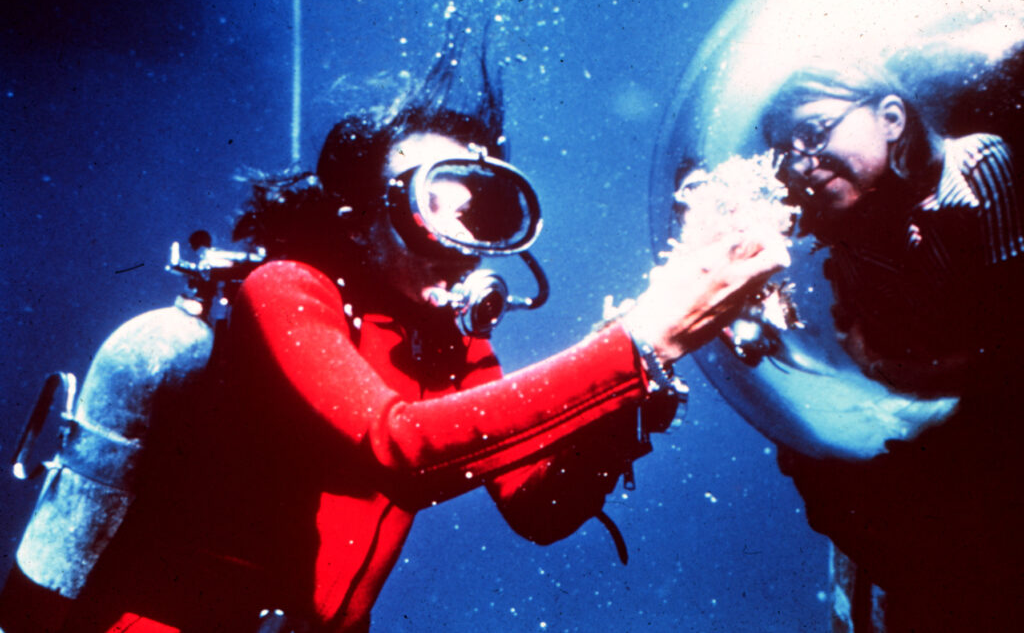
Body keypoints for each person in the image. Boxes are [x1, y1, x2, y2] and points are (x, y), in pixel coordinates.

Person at [0, 44, 783, 633]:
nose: (461, 237)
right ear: (360, 221)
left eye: (485, 209)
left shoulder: (447, 341)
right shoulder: (288, 291)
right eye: (432, 202)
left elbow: (538, 508)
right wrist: (638, 341)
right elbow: (398, 447)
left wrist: (632, 399)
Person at [759, 64, 1024, 632]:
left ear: (891, 117)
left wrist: (894, 368)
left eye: (816, 132)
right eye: (788, 152)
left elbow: (1010, 345)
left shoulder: (977, 166)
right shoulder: (848, 231)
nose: (804, 162)